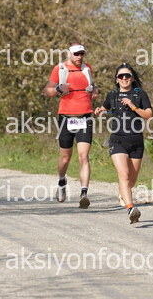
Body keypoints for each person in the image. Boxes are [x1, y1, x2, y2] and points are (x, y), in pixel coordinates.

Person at [94, 63, 153, 224]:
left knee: (132, 179)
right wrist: (100, 110)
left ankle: (122, 193)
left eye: (127, 76)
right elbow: (105, 107)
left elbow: (148, 114)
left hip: (136, 140)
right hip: (117, 140)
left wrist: (133, 107)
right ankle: (131, 209)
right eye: (121, 76)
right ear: (117, 79)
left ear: (132, 78)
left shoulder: (139, 94)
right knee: (124, 175)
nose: (124, 78)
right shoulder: (112, 95)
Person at [43, 43, 99, 208]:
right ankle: (62, 181)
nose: (79, 57)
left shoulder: (87, 68)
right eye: (76, 54)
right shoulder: (60, 69)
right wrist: (58, 89)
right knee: (65, 158)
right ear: (69, 54)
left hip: (85, 117)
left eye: (81, 54)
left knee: (84, 157)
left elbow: (92, 85)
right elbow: (47, 91)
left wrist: (95, 91)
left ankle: (84, 194)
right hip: (66, 118)